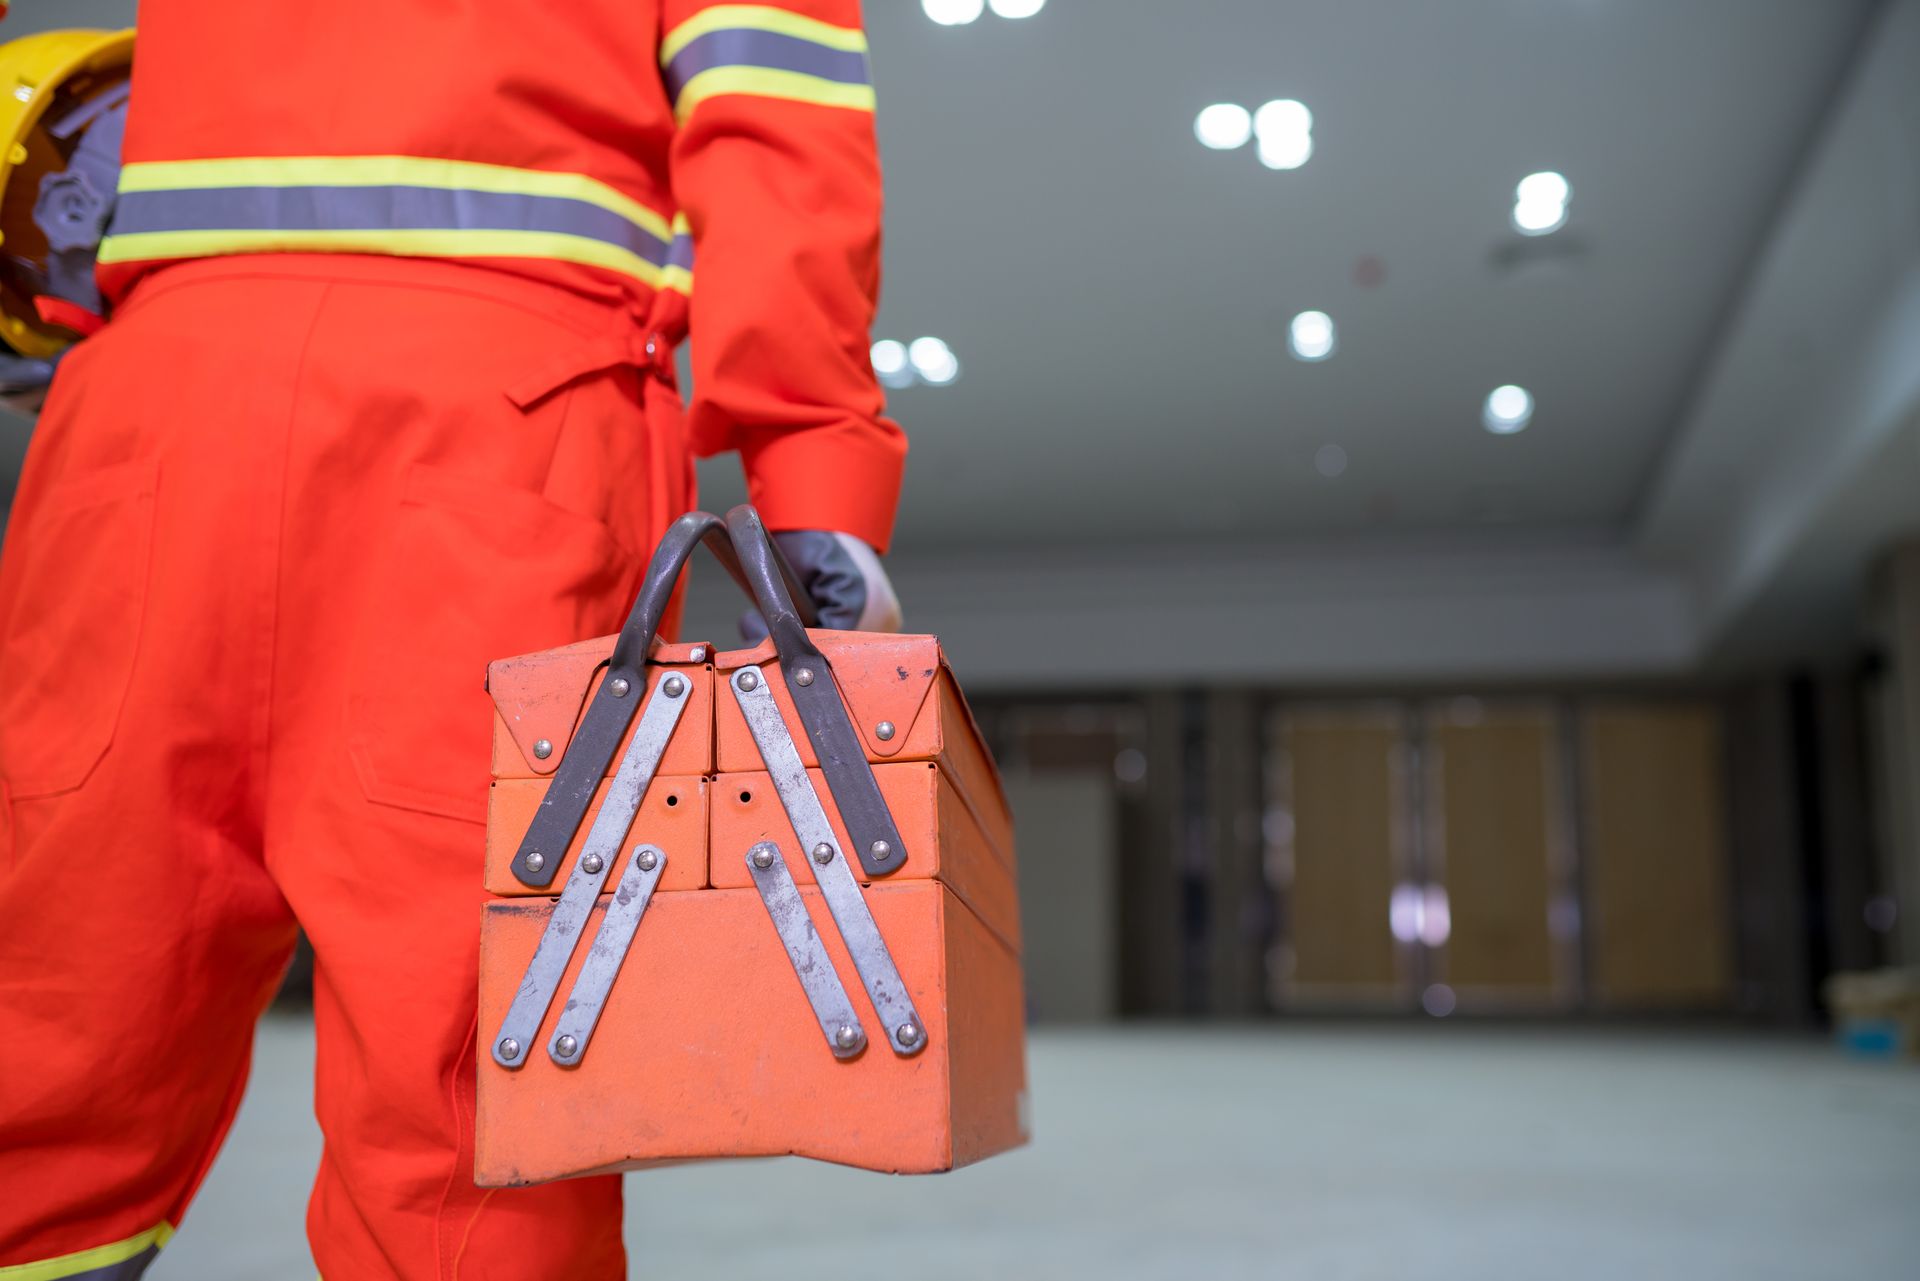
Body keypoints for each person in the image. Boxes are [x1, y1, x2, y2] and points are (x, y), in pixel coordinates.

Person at [0, 2, 905, 1277]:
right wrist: (814, 474)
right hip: (501, 422)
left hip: (152, 409)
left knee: (50, 1023)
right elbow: (775, 113)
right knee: (473, 1091)